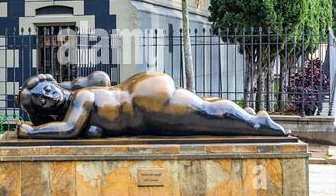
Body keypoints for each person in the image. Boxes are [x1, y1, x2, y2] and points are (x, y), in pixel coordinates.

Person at [15, 71, 288, 139]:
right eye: (42, 100)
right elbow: (102, 79)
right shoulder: (84, 92)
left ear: (54, 83)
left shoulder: (82, 98)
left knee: (204, 115)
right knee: (201, 109)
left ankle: (257, 122)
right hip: (143, 91)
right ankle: (246, 115)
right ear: (44, 108)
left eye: (47, 89)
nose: (49, 96)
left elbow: (69, 130)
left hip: (147, 100)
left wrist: (32, 133)